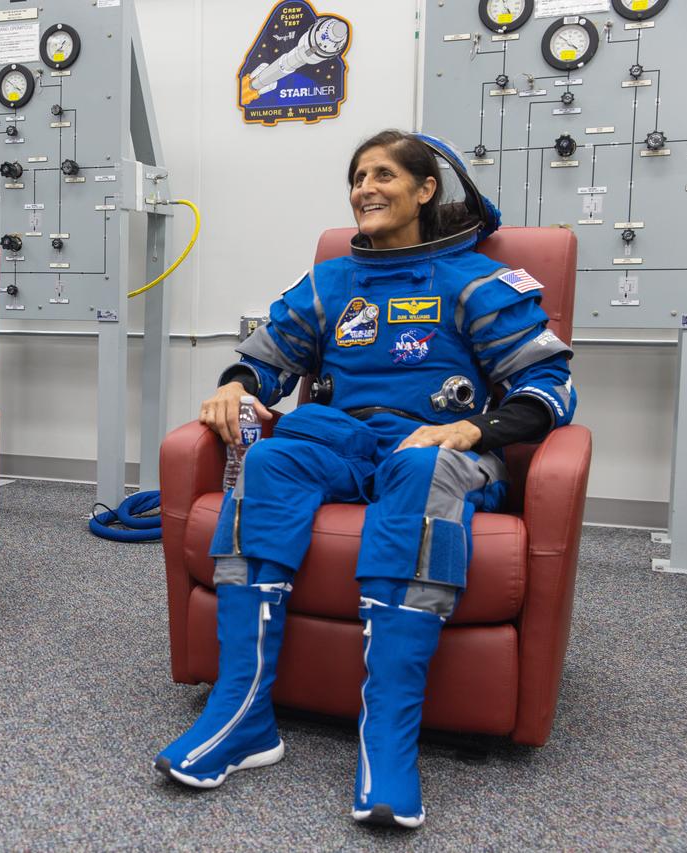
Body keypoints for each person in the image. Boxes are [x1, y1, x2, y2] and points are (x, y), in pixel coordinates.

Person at [154, 131, 576, 828]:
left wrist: (473, 430)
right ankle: (244, 711)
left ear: (426, 189)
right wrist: (235, 386)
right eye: (357, 177)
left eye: (383, 175)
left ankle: (387, 736)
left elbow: (548, 387)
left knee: (419, 465)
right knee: (269, 459)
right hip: (346, 441)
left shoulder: (476, 282)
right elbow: (266, 360)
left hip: (439, 448)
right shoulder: (330, 284)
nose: (365, 189)